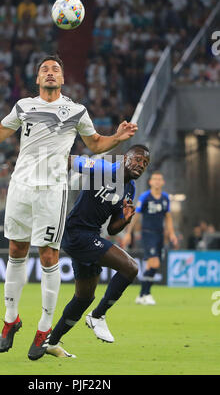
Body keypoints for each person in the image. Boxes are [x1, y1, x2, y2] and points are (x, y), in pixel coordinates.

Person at [0, 54, 138, 361]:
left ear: (62, 79)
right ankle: (11, 320)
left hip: (52, 191)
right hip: (20, 186)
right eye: (44, 69)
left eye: (55, 69)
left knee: (48, 255)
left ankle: (44, 328)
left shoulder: (76, 110)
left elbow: (96, 144)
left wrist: (118, 136)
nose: (49, 72)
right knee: (16, 250)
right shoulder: (24, 106)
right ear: (37, 79)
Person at [43, 144, 150, 358]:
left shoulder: (129, 189)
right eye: (137, 159)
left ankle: (50, 343)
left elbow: (112, 228)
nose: (140, 165)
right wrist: (51, 186)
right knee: (131, 268)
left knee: (84, 297)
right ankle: (98, 316)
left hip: (91, 236)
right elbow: (71, 160)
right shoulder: (102, 168)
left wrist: (125, 220)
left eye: (145, 163)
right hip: (77, 234)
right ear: (124, 158)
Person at [122, 171, 178, 305]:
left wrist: (172, 233)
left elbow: (168, 217)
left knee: (151, 265)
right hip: (148, 233)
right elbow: (136, 216)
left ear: (163, 182)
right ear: (150, 182)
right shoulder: (145, 197)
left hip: (160, 235)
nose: (158, 181)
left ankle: (142, 295)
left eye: (160, 179)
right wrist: (128, 233)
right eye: (155, 179)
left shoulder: (165, 198)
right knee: (155, 263)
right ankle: (145, 294)